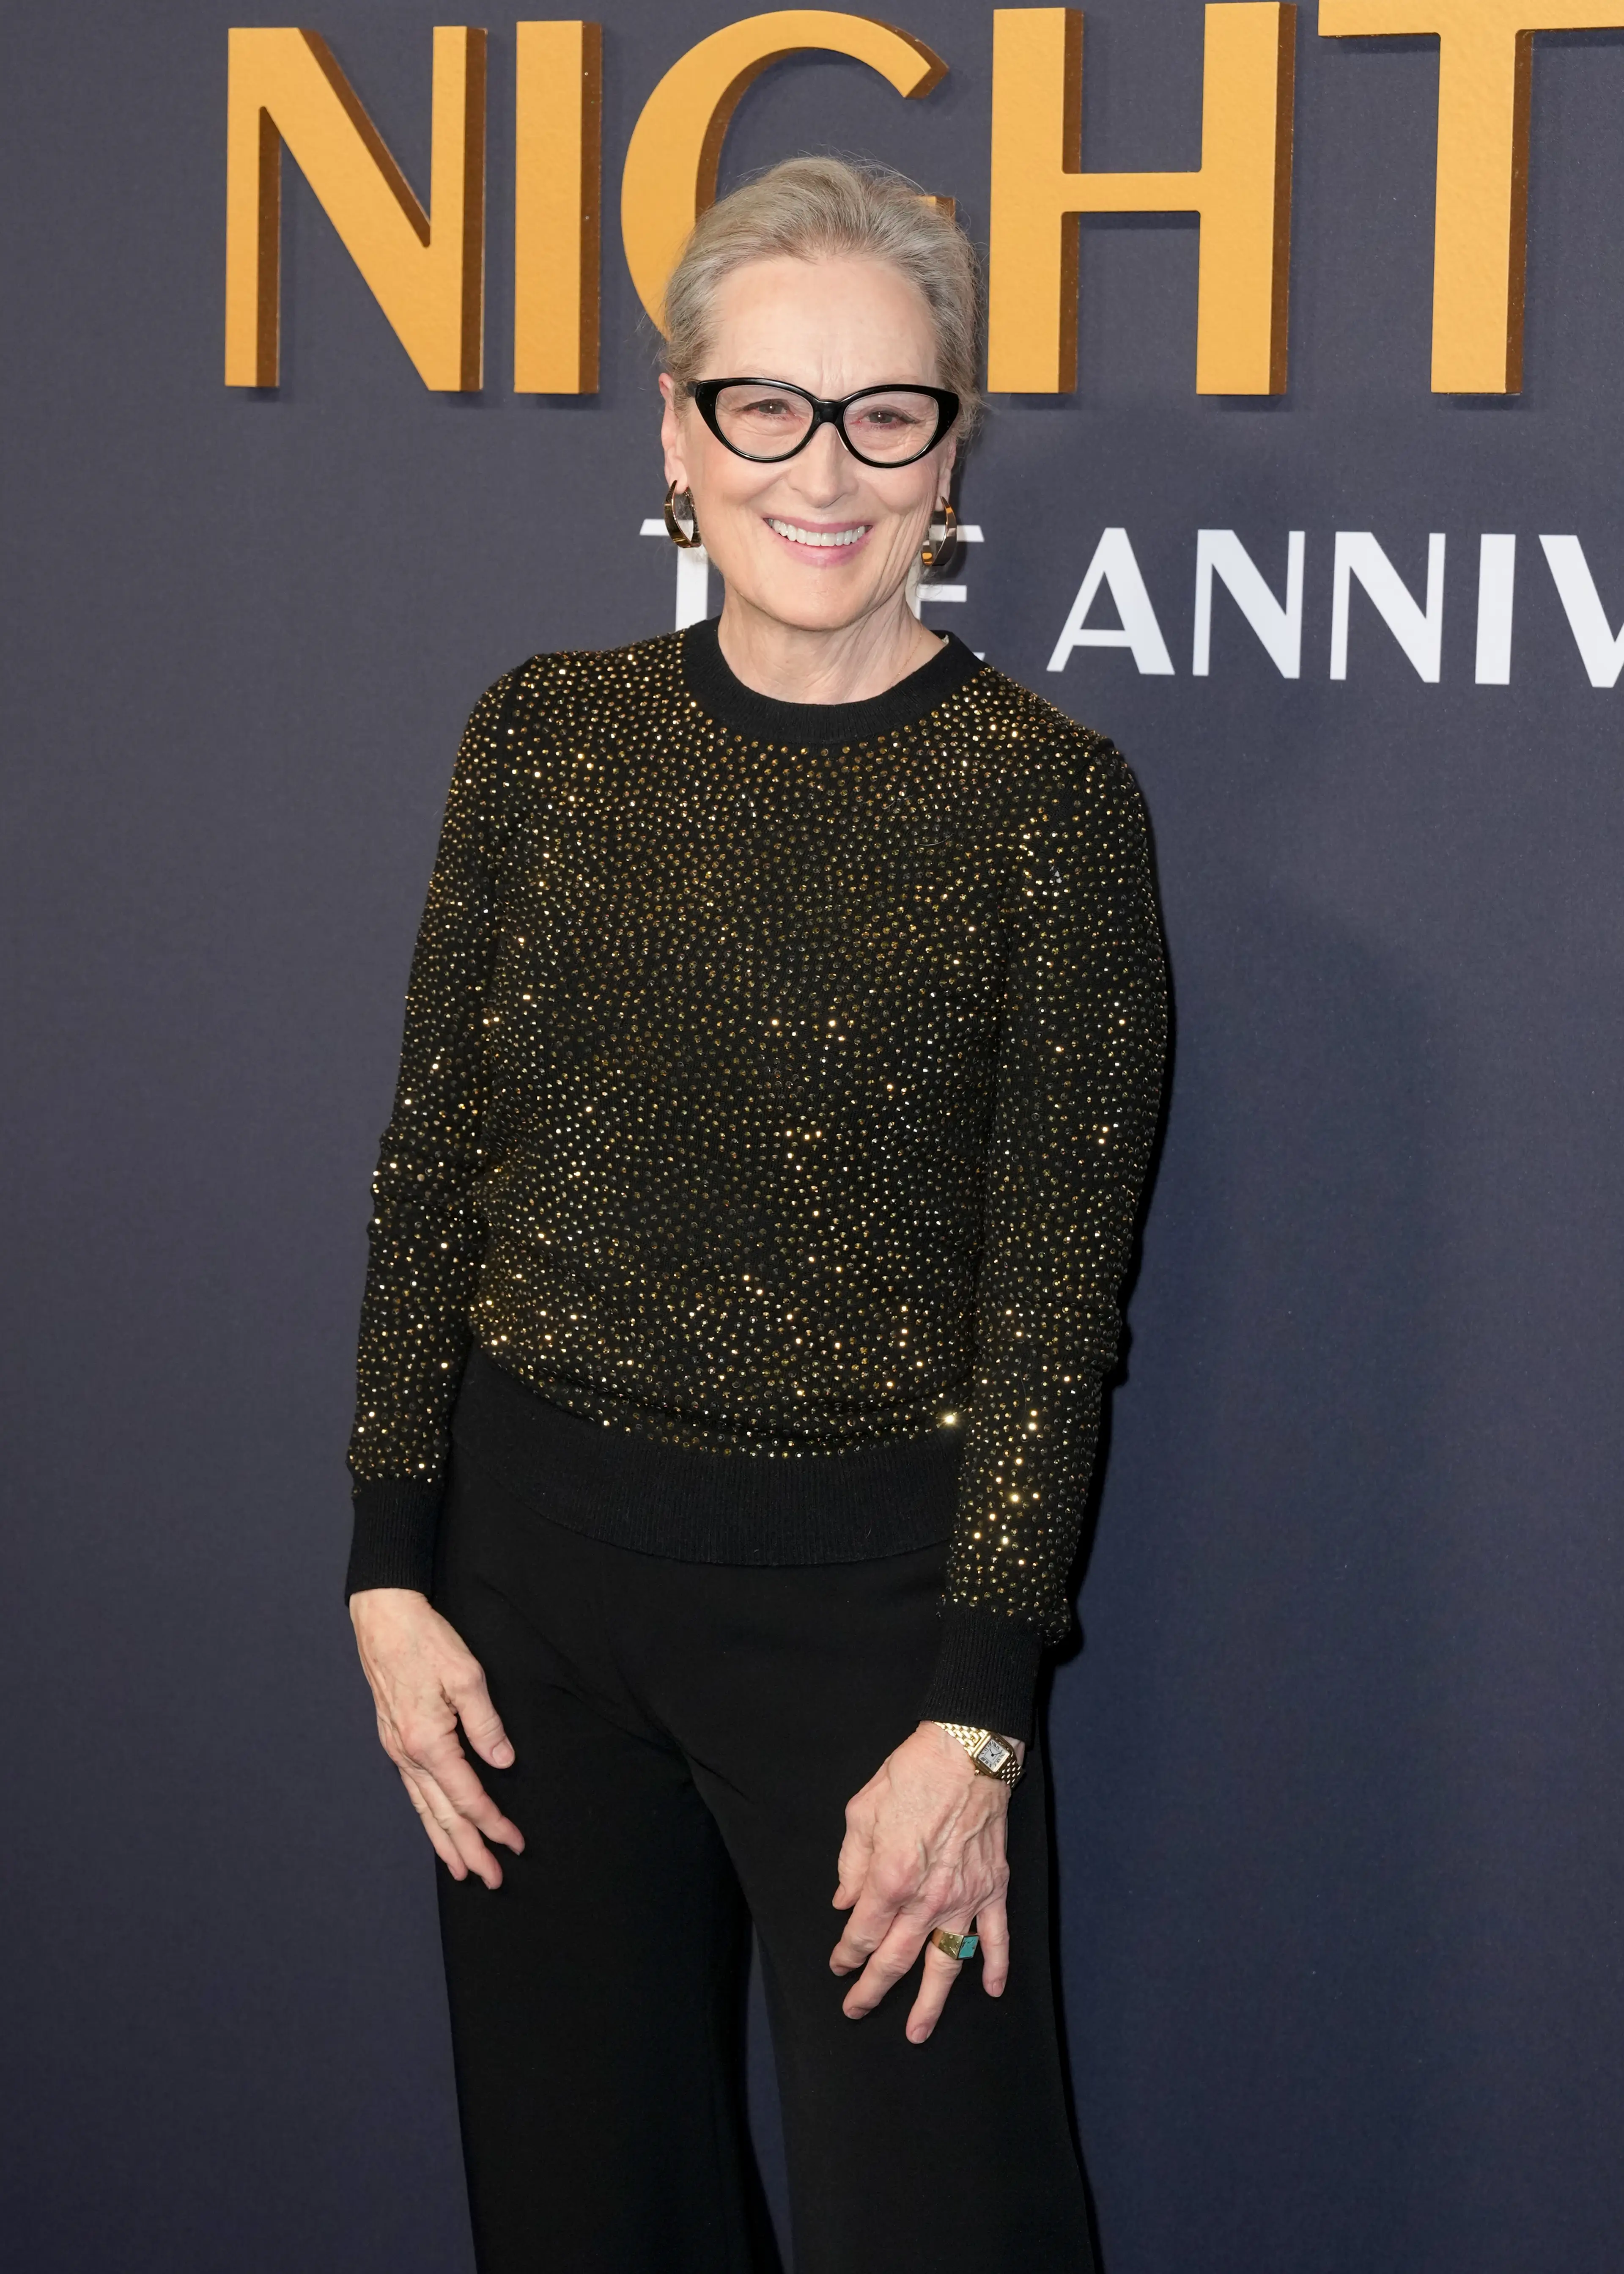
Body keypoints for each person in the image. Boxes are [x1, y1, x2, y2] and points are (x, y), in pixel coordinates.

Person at [345, 156, 1168, 2274]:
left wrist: (978, 1712)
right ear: (676, 430)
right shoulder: (544, 739)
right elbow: (434, 1163)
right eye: (767, 407)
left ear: (950, 450)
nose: (827, 467)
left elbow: (1054, 1305)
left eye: (887, 411)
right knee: (578, 2218)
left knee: (952, 2228)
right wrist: (389, 1569)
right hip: (526, 1610)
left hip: (876, 1642)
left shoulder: (1046, 803)